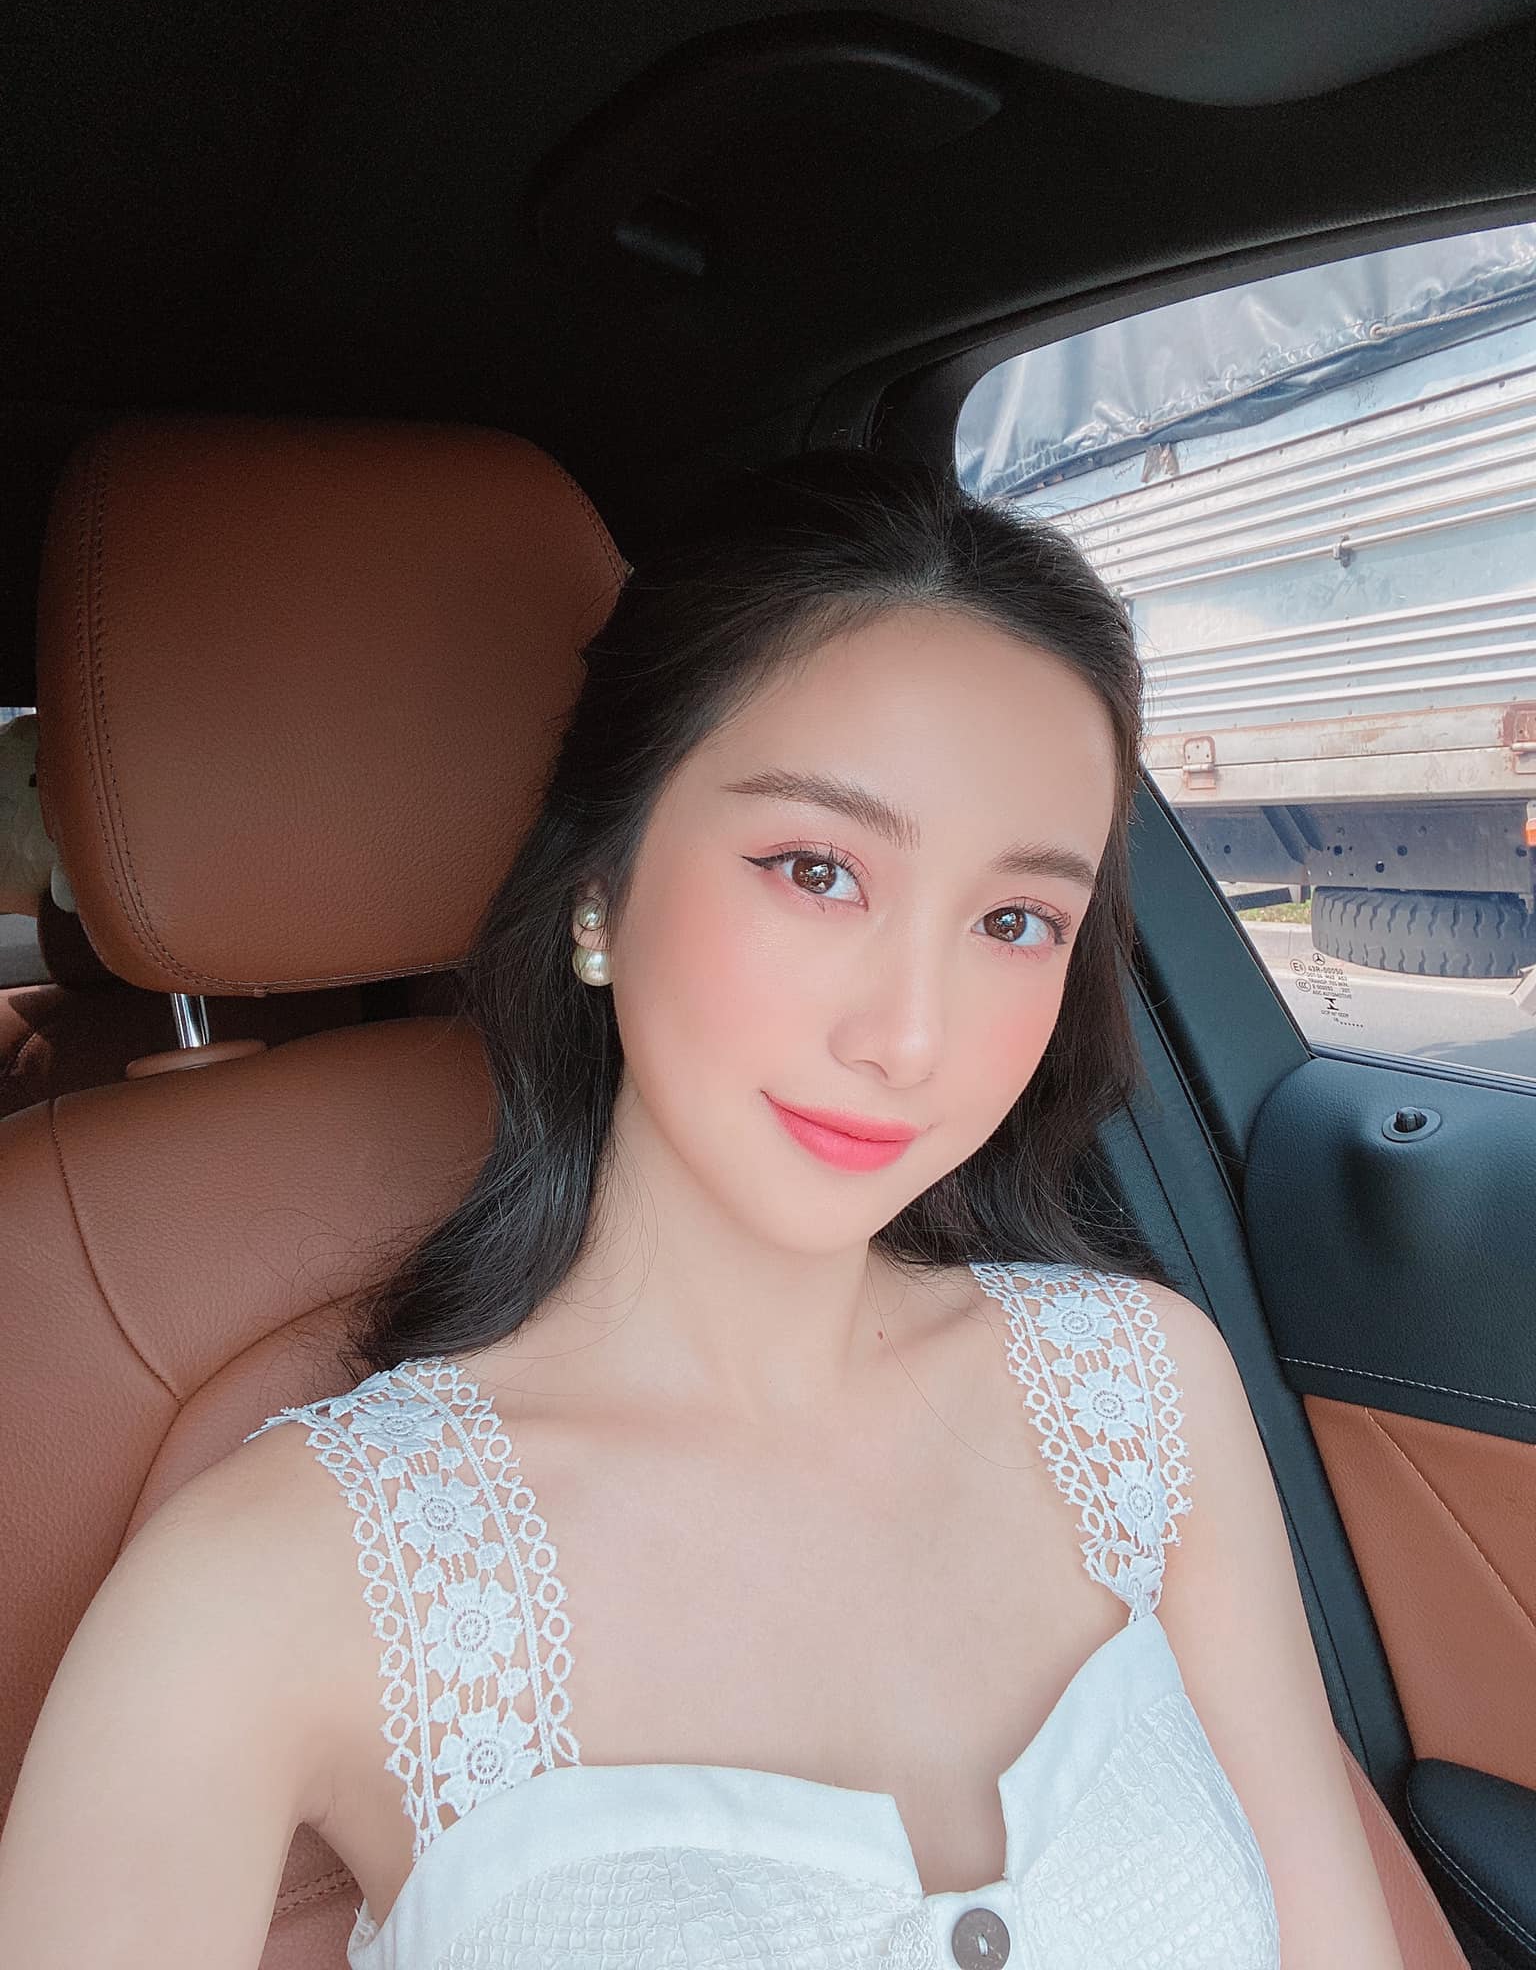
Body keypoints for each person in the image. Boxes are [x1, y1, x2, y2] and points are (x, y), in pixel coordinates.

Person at [0, 451, 1405, 1968]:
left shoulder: (1145, 1393)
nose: (910, 1038)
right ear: (602, 888)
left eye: (1015, 919)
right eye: (817, 871)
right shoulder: (262, 1582)